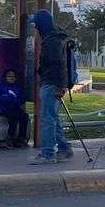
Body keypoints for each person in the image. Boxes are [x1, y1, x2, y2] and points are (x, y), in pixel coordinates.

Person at [28, 10, 74, 165]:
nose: (35, 27)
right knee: (53, 118)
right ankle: (64, 149)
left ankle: (48, 153)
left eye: (36, 24)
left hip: (51, 83)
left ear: (42, 24)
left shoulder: (51, 41)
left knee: (47, 120)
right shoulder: (54, 38)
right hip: (52, 83)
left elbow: (58, 65)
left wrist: (59, 86)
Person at [0, 68, 29, 148]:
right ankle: (10, 138)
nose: (12, 78)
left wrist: (12, 99)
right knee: (14, 117)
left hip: (16, 108)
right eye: (9, 76)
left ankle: (21, 138)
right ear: (5, 77)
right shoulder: (0, 86)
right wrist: (10, 98)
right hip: (4, 109)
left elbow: (22, 99)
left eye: (13, 76)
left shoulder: (17, 87)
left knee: (25, 117)